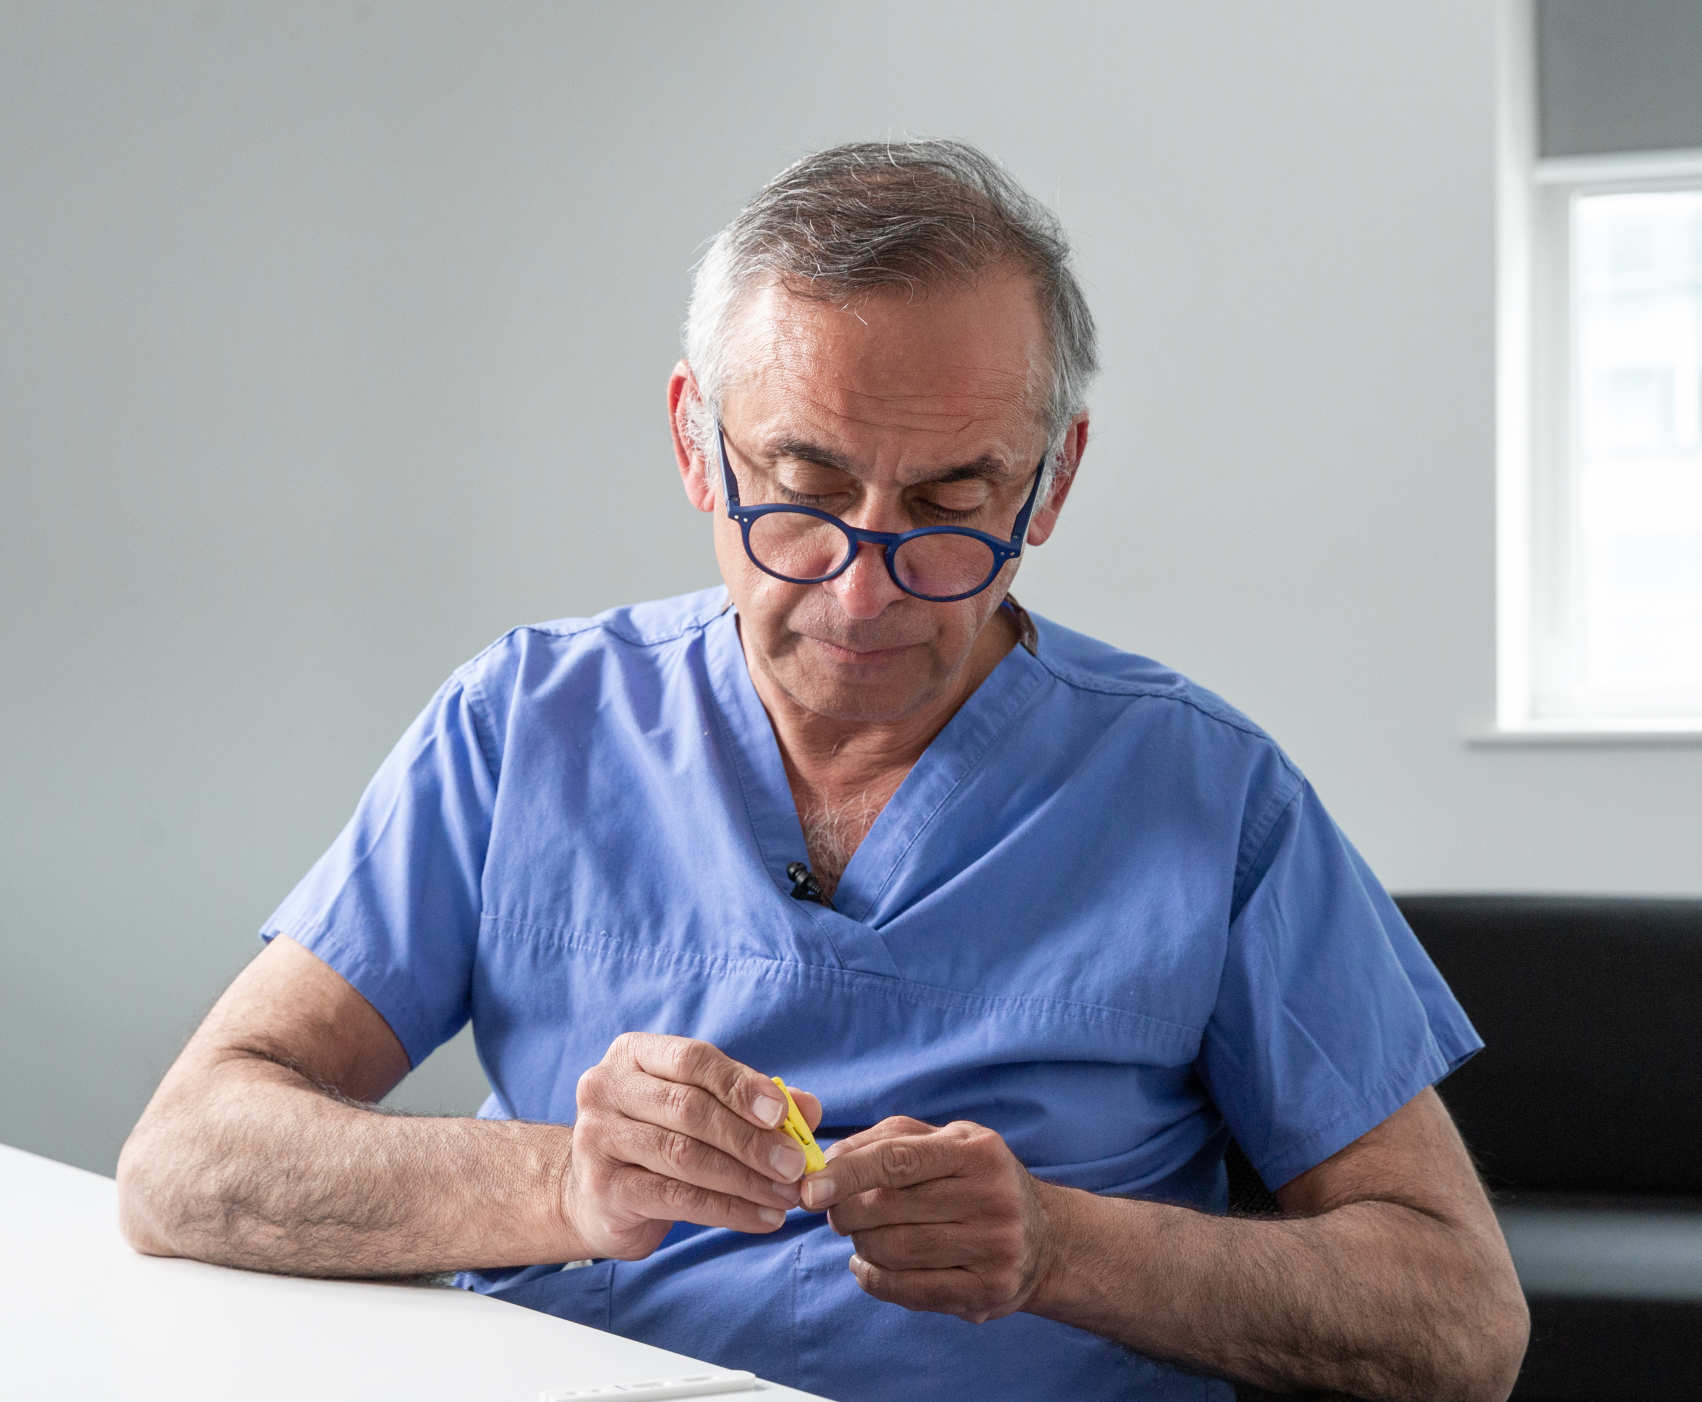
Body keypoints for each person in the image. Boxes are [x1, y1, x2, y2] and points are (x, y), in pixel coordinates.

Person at [117, 140, 1528, 1401]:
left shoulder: (1207, 794)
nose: (862, 596)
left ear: (1051, 478)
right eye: (800, 492)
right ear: (691, 441)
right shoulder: (521, 724)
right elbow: (189, 1158)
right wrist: (565, 1180)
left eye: (950, 504)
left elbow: (1459, 1321)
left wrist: (1062, 1248)